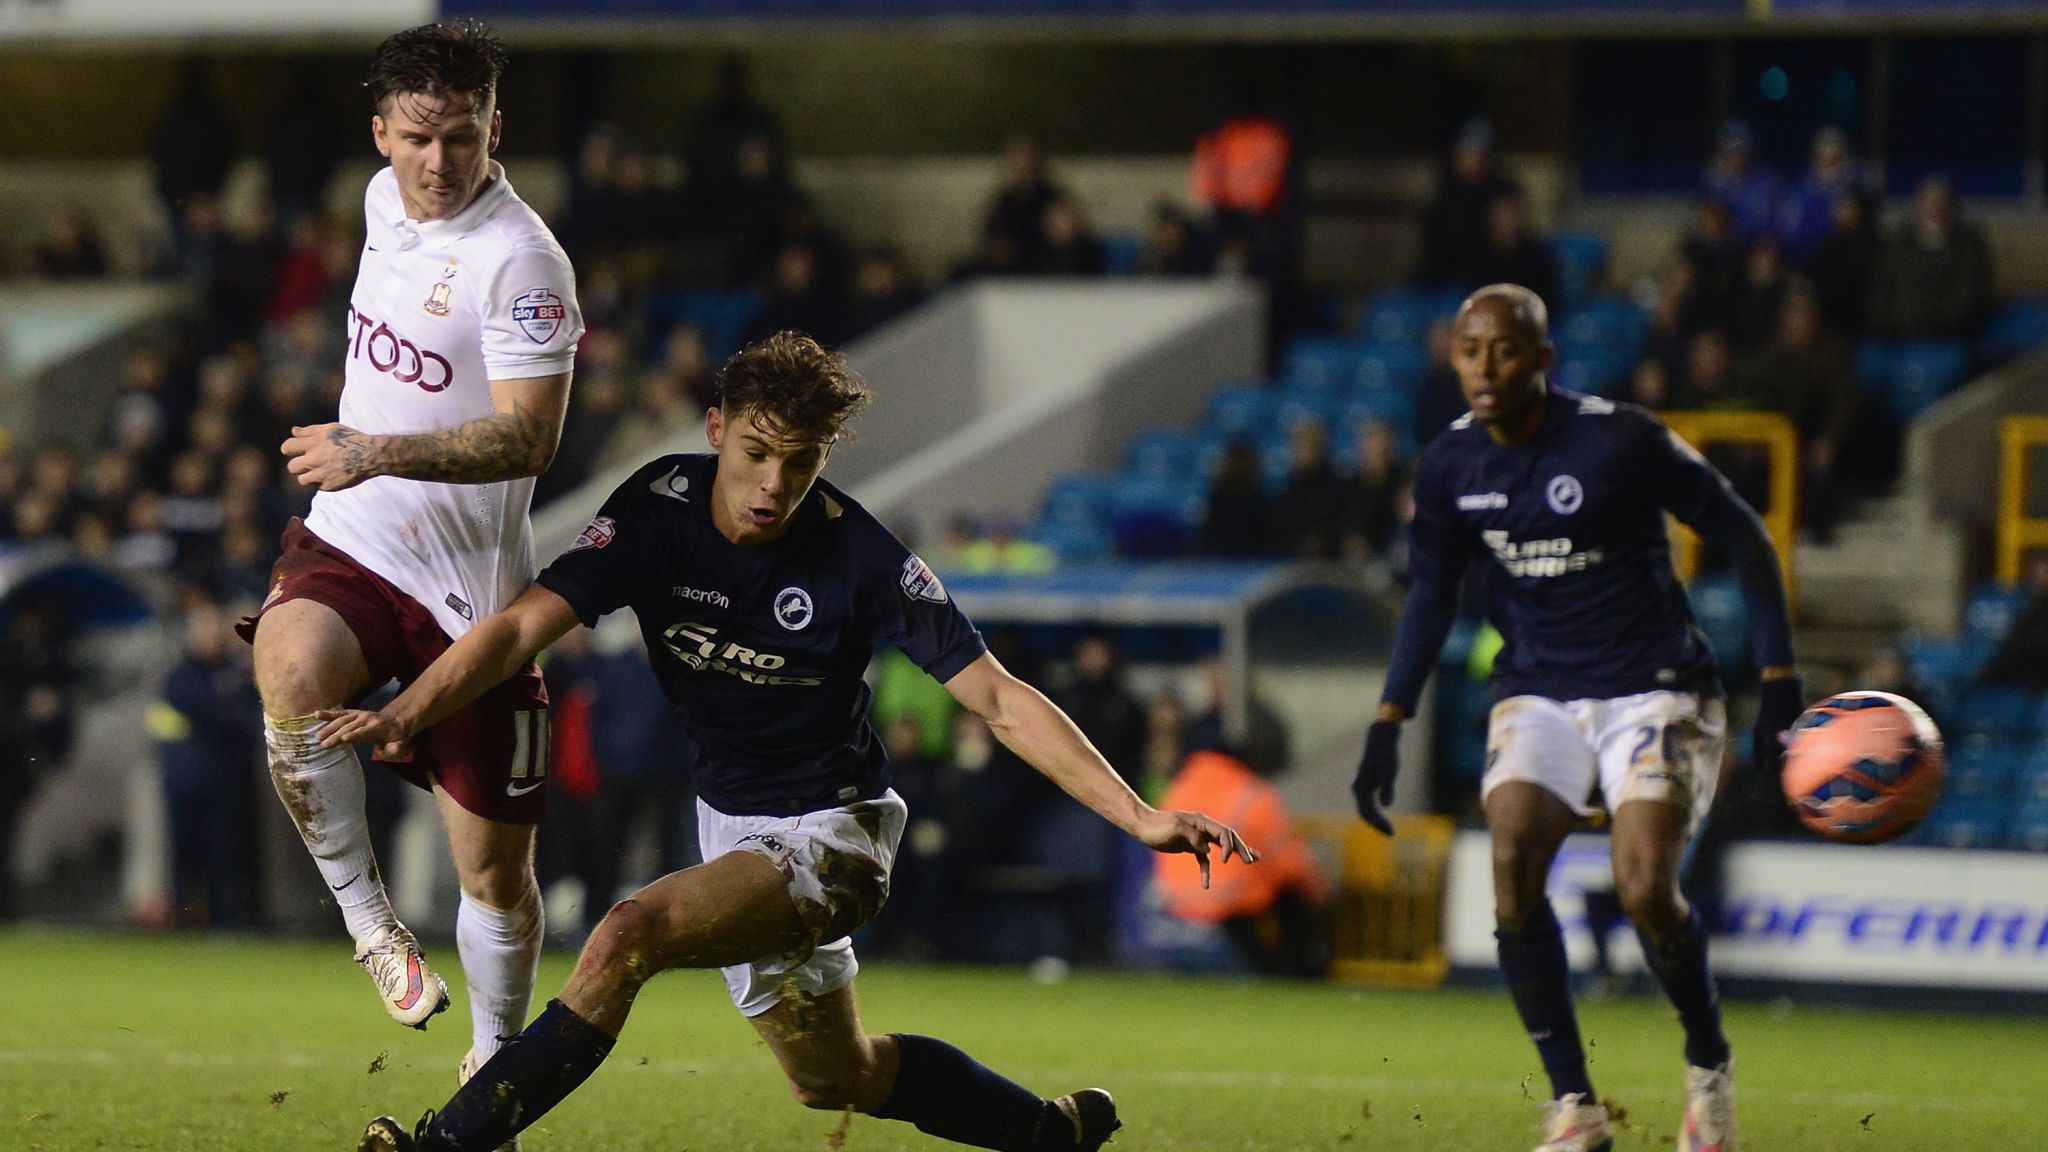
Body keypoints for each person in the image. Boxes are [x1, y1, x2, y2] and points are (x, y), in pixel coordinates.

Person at [326, 331, 1255, 1152]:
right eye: (759, 453)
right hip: (731, 830)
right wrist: (411, 710)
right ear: (717, 426)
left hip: (837, 835)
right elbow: (523, 627)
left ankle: (444, 1145)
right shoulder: (656, 511)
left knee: (626, 934)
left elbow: (1001, 702)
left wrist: (1138, 815)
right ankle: (1046, 1135)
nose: (774, 486)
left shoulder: (863, 558)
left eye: (800, 464)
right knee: (836, 1079)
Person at [1351, 285, 1804, 1152]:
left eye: (1506, 350)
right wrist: (1388, 720)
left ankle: (1708, 1069)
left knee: (1643, 887)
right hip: (1539, 688)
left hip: (1657, 684)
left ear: (1544, 360)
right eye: (1470, 350)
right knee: (1513, 855)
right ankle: (1575, 1108)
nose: (1485, 367)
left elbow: (1745, 535)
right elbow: (1431, 595)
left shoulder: (1619, 438)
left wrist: (1778, 680)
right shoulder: (1450, 466)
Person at [234, 19, 584, 1117]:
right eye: (421, 136)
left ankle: (490, 1072)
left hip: (469, 599)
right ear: (381, 131)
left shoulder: (523, 262)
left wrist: (367, 447)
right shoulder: (383, 203)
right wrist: (361, 472)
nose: (441, 163)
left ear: (495, 130)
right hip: (356, 538)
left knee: (495, 879)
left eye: (464, 138)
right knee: (288, 670)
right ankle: (370, 927)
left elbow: (530, 440)